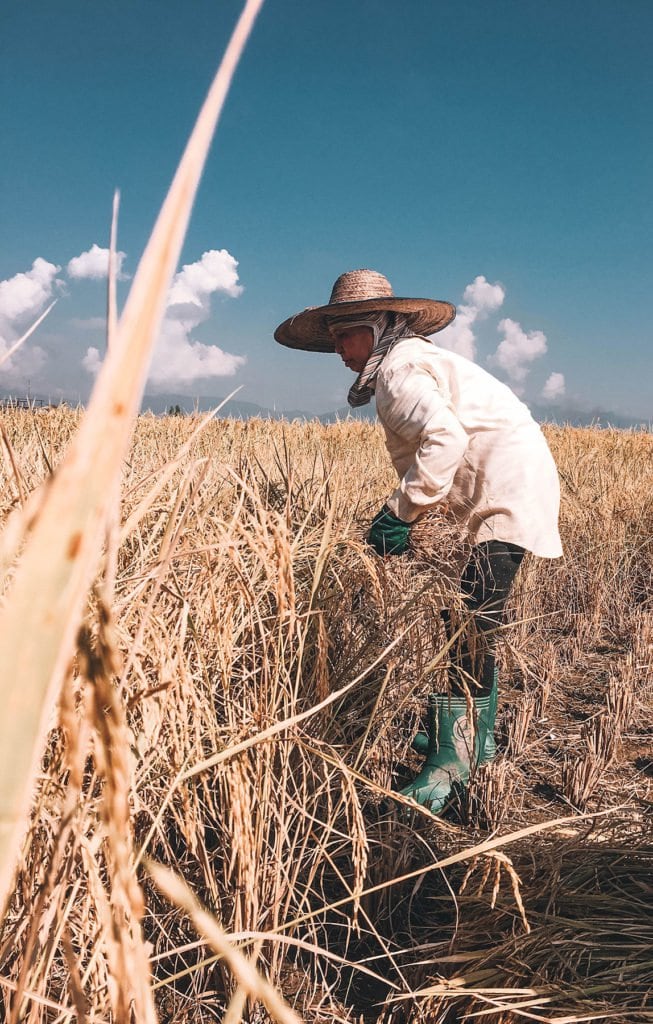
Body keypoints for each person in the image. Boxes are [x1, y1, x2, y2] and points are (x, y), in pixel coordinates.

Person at [275, 269, 562, 813]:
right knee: (471, 622)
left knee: (469, 627)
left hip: (502, 496)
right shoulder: (409, 362)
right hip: (504, 487)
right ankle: (472, 740)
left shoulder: (400, 370)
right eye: (333, 338)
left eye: (345, 335)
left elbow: (446, 438)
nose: (338, 349)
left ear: (377, 326)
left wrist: (399, 514)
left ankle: (452, 764)